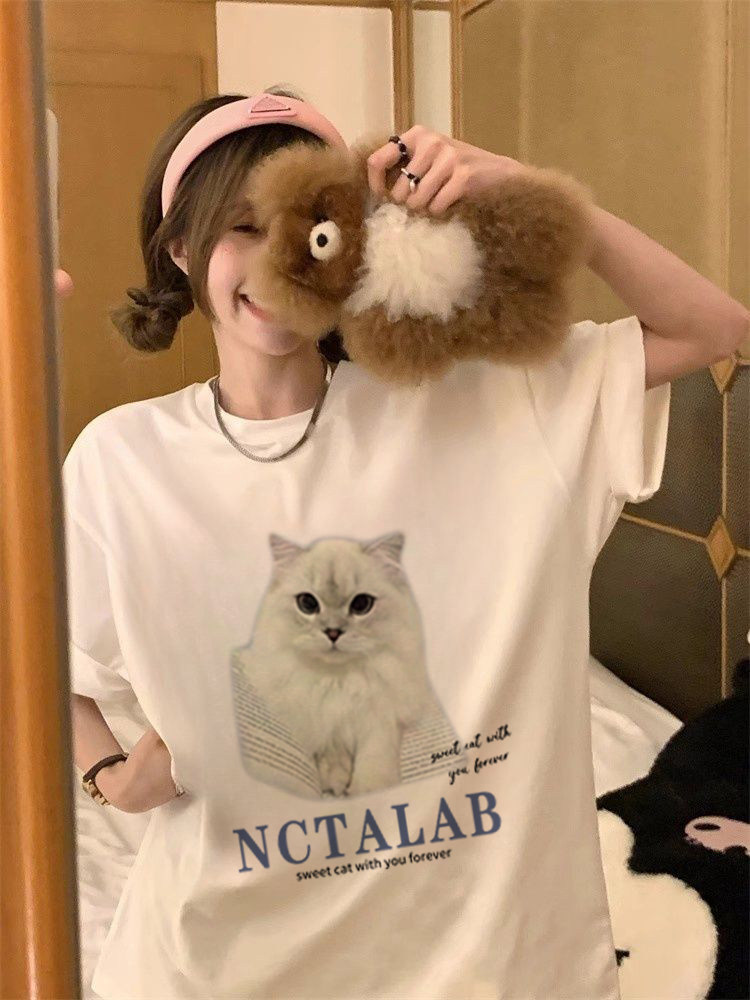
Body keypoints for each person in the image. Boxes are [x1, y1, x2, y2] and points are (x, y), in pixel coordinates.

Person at [63, 84, 747, 1000]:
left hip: (488, 968)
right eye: (237, 230)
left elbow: (714, 329)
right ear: (180, 248)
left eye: (305, 230)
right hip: (221, 962)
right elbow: (47, 662)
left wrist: (525, 195)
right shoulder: (122, 461)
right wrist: (107, 774)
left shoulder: (486, 403)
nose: (273, 262)